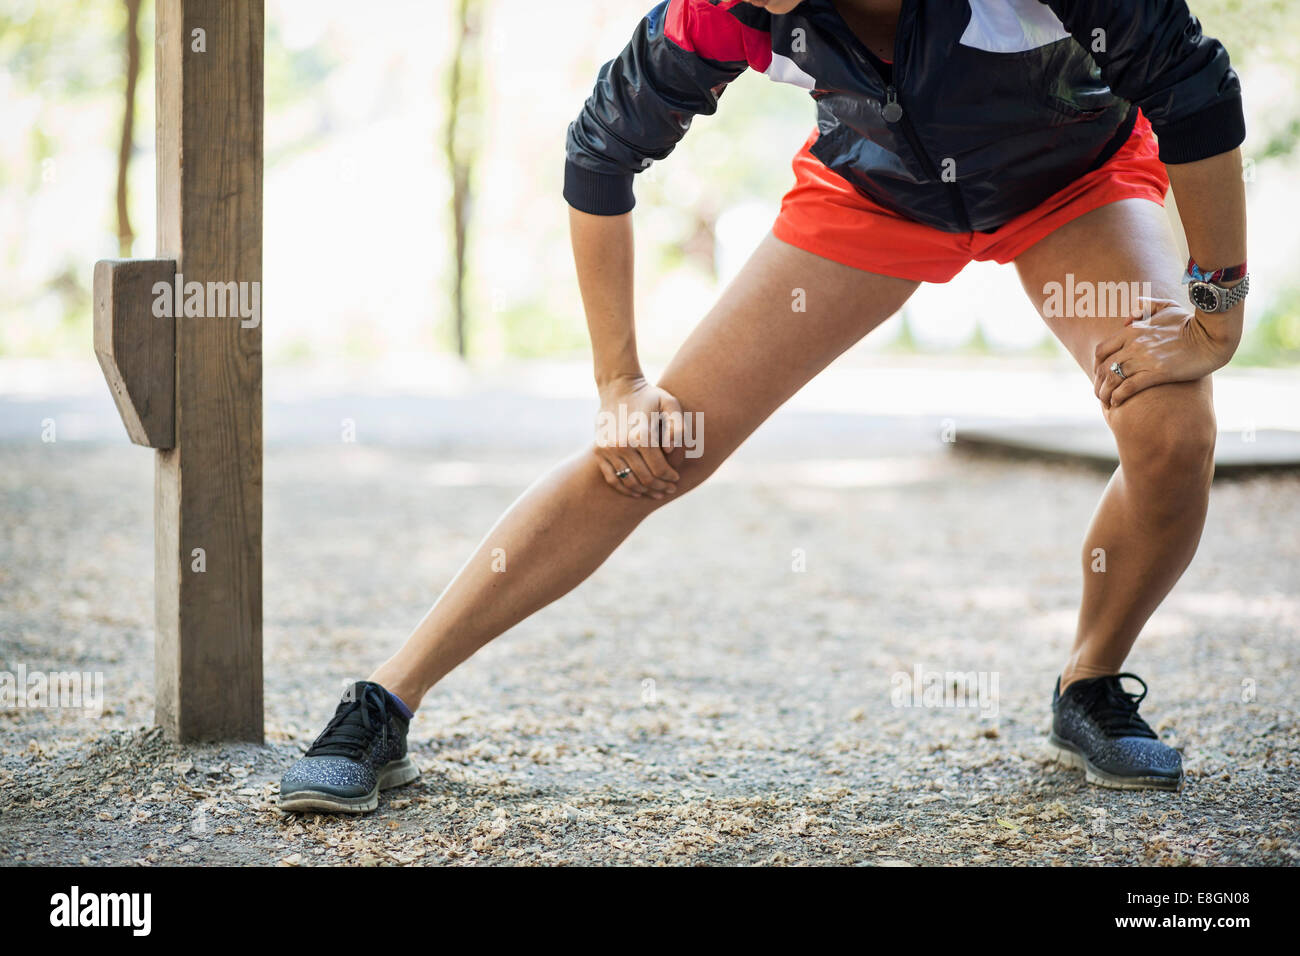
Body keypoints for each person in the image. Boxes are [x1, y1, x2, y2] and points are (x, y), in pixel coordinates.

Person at [280, 0, 1248, 813]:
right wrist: (619, 382)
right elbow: (598, 153)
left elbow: (1193, 84)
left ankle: (1089, 683)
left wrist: (1215, 313)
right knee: (655, 446)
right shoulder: (727, 11)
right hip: (875, 195)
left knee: (1171, 429)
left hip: (1071, 179)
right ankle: (383, 702)